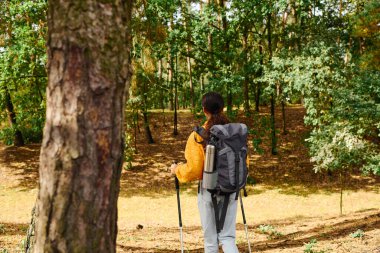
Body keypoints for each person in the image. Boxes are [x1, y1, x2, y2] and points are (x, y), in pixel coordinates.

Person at [170, 91, 240, 253]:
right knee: (228, 238)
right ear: (223, 108)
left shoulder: (198, 136)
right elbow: (243, 161)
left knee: (210, 241)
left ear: (204, 110)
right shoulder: (234, 134)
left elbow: (194, 170)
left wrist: (177, 170)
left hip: (209, 190)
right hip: (231, 189)